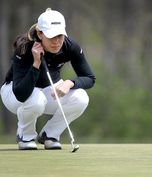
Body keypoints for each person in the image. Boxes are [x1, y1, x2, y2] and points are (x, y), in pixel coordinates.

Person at [0, 8, 95, 150]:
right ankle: (25, 136)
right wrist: (36, 63)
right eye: (51, 37)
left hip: (47, 91)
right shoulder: (24, 48)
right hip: (13, 93)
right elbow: (20, 94)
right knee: (36, 98)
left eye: (60, 36)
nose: (57, 42)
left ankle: (49, 135)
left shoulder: (70, 46)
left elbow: (89, 78)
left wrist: (70, 83)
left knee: (81, 97)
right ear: (40, 34)